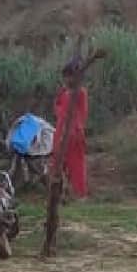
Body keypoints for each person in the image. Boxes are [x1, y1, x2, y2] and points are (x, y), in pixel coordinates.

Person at [53, 60, 88, 198]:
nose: (67, 79)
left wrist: (73, 129)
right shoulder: (62, 92)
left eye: (70, 76)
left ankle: (78, 194)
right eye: (66, 76)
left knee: (76, 165)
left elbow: (82, 114)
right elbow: (57, 108)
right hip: (61, 132)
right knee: (58, 164)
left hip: (74, 134)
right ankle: (60, 193)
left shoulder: (81, 93)